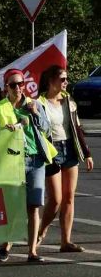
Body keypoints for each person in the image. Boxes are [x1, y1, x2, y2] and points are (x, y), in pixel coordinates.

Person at [0, 69, 53, 262]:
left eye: (21, 84)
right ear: (6, 88)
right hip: (11, 160)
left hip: (35, 159)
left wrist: (35, 113)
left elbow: (47, 128)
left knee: (33, 206)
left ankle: (32, 251)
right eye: (13, 85)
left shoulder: (34, 104)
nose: (18, 88)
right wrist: (3, 132)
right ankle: (6, 243)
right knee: (13, 205)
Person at [37, 65, 94, 252]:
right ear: (51, 81)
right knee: (55, 199)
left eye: (66, 79)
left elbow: (77, 129)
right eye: (62, 79)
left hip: (69, 148)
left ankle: (66, 241)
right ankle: (41, 230)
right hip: (52, 151)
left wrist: (87, 153)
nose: (66, 82)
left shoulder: (69, 101)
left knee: (69, 198)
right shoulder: (41, 102)